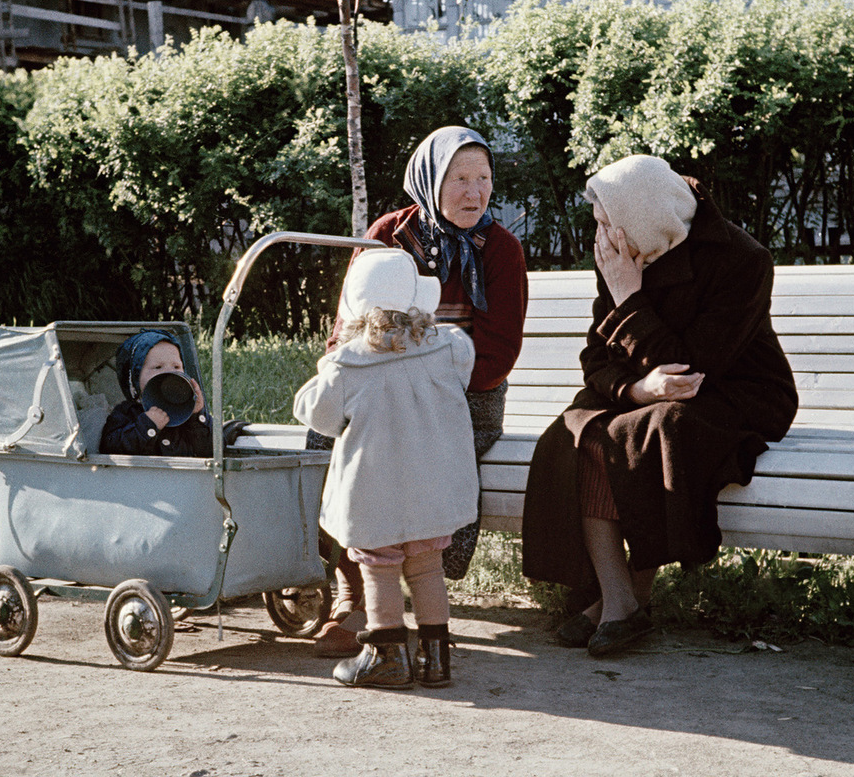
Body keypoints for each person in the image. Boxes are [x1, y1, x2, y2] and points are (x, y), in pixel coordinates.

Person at [521, 154, 798, 657]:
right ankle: (618, 597)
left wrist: (628, 298)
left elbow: (690, 370)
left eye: (608, 222)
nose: (601, 235)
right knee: (576, 430)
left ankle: (623, 601)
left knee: (648, 431)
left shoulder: (743, 258)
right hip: (648, 388)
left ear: (643, 216)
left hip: (737, 391)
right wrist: (635, 390)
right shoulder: (624, 250)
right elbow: (595, 357)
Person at [309, 125, 529, 657]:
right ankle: (350, 592)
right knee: (330, 452)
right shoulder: (388, 234)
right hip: (377, 386)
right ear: (430, 179)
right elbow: (348, 326)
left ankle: (413, 592)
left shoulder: (501, 250)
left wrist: (424, 387)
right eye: (459, 178)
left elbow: (497, 353)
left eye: (483, 178)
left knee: (420, 453)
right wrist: (373, 380)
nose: (474, 192)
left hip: (462, 395)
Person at [294, 248, 479, 688]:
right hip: (432, 485)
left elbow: (319, 416)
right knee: (427, 566)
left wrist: (325, 369)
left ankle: (388, 656)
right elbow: (465, 378)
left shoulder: (346, 365)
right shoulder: (450, 347)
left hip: (374, 491)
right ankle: (436, 659)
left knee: (379, 567)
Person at [100, 329, 212, 457]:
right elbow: (110, 448)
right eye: (158, 367)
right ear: (135, 377)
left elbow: (213, 450)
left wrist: (198, 416)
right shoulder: (126, 413)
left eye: (176, 367)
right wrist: (147, 426)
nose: (169, 372)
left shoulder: (189, 415)